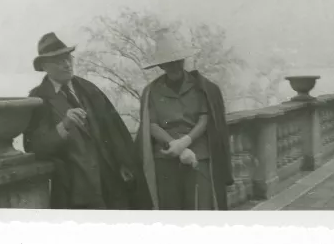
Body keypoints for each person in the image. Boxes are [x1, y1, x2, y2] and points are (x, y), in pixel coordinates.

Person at [23, 32, 152, 210]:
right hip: (76, 189)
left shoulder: (88, 89)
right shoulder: (39, 99)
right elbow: (36, 147)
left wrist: (123, 163)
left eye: (68, 58)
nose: (67, 64)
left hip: (111, 181)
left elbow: (114, 132)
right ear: (45, 66)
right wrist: (63, 126)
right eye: (59, 61)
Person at [136, 29, 233, 210]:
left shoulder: (200, 87)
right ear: (161, 66)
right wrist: (176, 146)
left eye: (178, 61)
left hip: (199, 155)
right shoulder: (152, 91)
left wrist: (186, 142)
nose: (174, 66)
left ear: (183, 61)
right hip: (165, 157)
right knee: (170, 210)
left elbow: (205, 119)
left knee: (200, 207)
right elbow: (152, 124)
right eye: (169, 63)